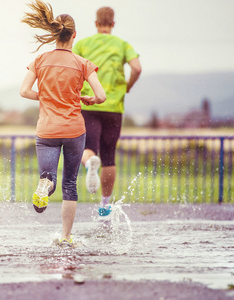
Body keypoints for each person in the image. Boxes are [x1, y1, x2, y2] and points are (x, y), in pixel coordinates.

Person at [20, 0, 106, 247]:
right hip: (73, 130)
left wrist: (45, 96)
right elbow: (101, 96)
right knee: (70, 183)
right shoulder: (82, 63)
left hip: (46, 130)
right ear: (74, 36)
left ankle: (45, 184)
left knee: (49, 177)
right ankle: (66, 237)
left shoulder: (40, 60)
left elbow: (24, 91)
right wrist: (87, 98)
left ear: (54, 34)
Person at [73, 6, 142, 217]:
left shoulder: (83, 44)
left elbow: (73, 69)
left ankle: (89, 165)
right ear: (113, 24)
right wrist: (127, 86)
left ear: (96, 23)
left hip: (88, 104)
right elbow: (137, 67)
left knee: (88, 149)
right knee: (109, 156)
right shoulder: (122, 45)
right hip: (113, 107)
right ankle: (104, 206)